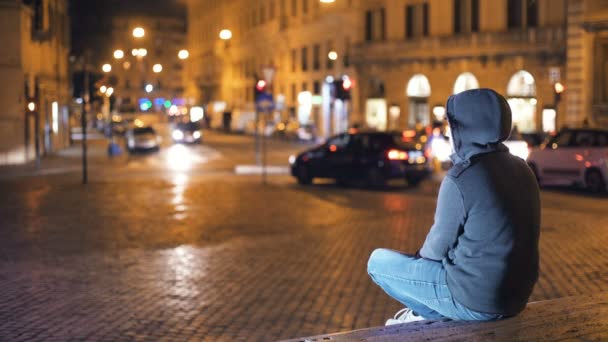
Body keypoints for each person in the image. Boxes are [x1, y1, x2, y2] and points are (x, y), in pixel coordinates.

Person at [367, 88, 541, 325]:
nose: (449, 132)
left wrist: (416, 268)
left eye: (452, 125)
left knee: (377, 262)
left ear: (464, 128)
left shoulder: (463, 177)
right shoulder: (523, 168)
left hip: (477, 300)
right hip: (516, 297)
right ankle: (434, 310)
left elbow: (434, 251)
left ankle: (425, 313)